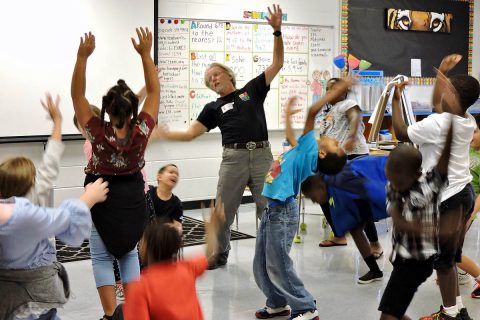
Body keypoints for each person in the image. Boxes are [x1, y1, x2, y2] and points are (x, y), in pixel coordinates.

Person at [159, 4, 284, 269]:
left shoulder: (252, 90)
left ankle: (272, 255)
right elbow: (192, 133)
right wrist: (167, 135)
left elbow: (277, 64)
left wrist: (277, 32)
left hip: (262, 155)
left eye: (215, 74)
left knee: (268, 209)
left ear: (228, 74)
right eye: (208, 79)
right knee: (222, 212)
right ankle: (219, 252)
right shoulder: (212, 108)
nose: (213, 79)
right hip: (234, 158)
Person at [71, 27, 159, 320]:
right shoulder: (142, 131)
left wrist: (82, 57)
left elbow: (77, 94)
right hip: (132, 201)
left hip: (103, 200)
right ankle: (132, 312)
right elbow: (155, 91)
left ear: (106, 111)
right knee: (129, 253)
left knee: (100, 255)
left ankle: (111, 314)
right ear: (134, 110)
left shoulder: (96, 133)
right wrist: (146, 54)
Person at [0, 94, 109, 320]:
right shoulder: (28, 213)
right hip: (32, 295)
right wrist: (89, 197)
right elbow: (66, 217)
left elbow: (49, 166)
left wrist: (58, 123)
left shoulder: (13, 204)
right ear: (30, 183)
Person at [253, 77, 350, 320]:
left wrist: (337, 91)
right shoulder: (307, 150)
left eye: (335, 143)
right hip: (273, 209)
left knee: (279, 264)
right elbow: (291, 137)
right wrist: (287, 115)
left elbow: (311, 111)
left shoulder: (310, 150)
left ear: (323, 151)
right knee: (262, 263)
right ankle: (277, 302)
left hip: (282, 212)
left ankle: (306, 306)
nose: (333, 138)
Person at [391, 54, 479, 320]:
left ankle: (451, 314)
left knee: (443, 261)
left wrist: (395, 100)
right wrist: (441, 72)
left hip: (448, 199)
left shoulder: (438, 124)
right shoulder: (466, 119)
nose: (443, 93)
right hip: (463, 193)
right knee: (449, 258)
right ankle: (455, 310)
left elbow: (401, 131)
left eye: (447, 89)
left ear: (453, 98)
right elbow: (438, 103)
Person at [378, 117, 454, 320]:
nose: (393, 183)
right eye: (389, 176)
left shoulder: (428, 186)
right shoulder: (393, 183)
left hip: (416, 262)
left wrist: (450, 136)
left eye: (398, 179)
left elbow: (443, 167)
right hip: (401, 257)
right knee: (395, 311)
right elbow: (393, 209)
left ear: (416, 173)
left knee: (389, 314)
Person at [120, 201, 225, 320]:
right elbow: (209, 255)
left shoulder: (140, 287)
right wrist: (213, 230)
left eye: (142, 241)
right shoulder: (186, 268)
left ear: (147, 249)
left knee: (120, 310)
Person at [315, 77, 382, 257]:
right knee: (323, 195)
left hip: (353, 156)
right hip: (333, 159)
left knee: (359, 201)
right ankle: (339, 235)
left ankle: (375, 243)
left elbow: (354, 116)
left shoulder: (348, 103)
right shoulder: (327, 111)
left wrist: (352, 136)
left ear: (343, 91)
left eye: (334, 89)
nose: (329, 93)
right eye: (327, 89)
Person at [301, 154, 388, 284]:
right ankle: (375, 271)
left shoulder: (340, 180)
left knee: (358, 227)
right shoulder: (330, 185)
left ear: (320, 187)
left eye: (313, 198)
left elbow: (372, 188)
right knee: (355, 230)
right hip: (367, 193)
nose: (314, 202)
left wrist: (390, 203)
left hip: (386, 177)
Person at [146, 164, 183, 231]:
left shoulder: (177, 203)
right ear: (159, 177)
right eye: (171, 172)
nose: (175, 175)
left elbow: (178, 227)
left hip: (163, 236)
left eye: (177, 174)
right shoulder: (148, 191)